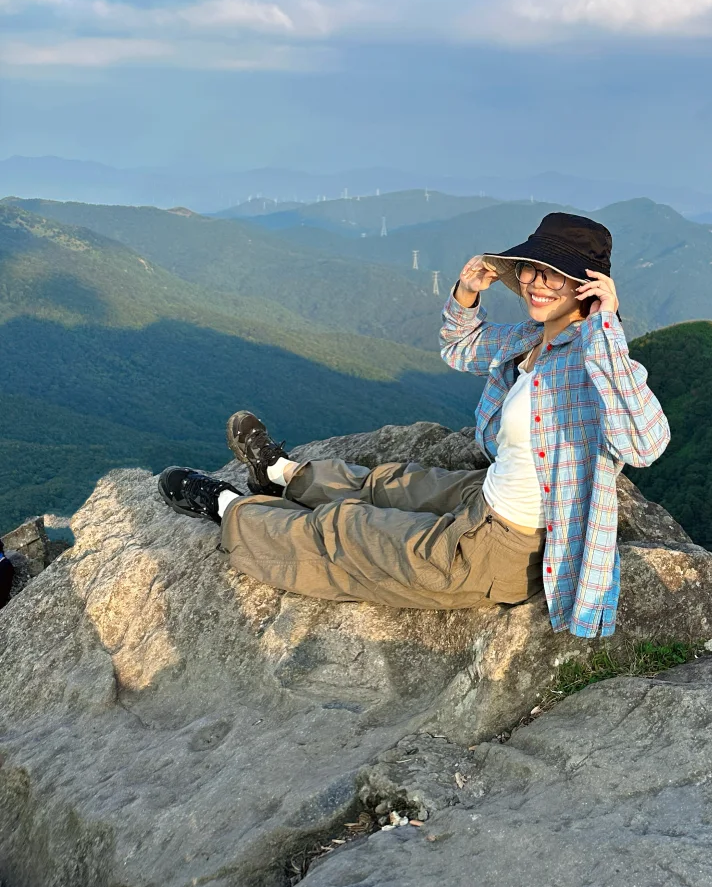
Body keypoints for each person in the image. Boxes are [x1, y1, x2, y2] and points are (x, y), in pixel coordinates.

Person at [156, 212, 670, 638]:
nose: (536, 283)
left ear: (588, 288)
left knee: (349, 529)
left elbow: (646, 443)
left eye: (554, 274)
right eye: (531, 269)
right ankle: (282, 475)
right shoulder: (536, 339)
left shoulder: (594, 363)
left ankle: (227, 509)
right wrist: (467, 293)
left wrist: (605, 328)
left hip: (500, 552)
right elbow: (461, 347)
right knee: (388, 482)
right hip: (486, 500)